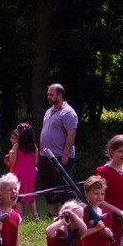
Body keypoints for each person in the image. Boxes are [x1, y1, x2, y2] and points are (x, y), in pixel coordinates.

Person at [37, 83, 78, 216]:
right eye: (48, 94)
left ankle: (70, 212)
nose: (48, 97)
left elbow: (71, 134)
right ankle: (53, 211)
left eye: (51, 94)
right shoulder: (49, 111)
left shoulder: (68, 112)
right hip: (46, 156)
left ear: (60, 95)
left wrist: (65, 155)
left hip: (60, 155)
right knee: (48, 184)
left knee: (63, 185)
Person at [8, 123, 39, 221]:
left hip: (19, 171)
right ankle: (25, 215)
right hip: (30, 171)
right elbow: (36, 161)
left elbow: (13, 161)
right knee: (28, 192)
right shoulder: (34, 147)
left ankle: (20, 216)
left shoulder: (17, 146)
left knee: (18, 192)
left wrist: (12, 153)